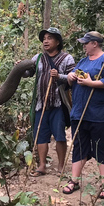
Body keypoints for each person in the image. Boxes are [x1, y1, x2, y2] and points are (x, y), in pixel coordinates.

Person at [63, 31, 104, 196]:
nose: (84, 46)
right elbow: (75, 75)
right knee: (79, 146)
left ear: (95, 43)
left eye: (86, 43)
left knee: (101, 147)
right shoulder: (83, 61)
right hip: (80, 112)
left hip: (99, 113)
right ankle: (74, 180)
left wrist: (91, 83)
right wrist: (71, 76)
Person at [24, 27, 76, 175]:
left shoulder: (67, 58)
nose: (46, 41)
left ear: (58, 42)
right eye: (44, 38)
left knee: (59, 135)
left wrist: (60, 76)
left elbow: (73, 77)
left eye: (49, 38)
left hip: (58, 104)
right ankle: (41, 165)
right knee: (40, 134)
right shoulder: (38, 57)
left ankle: (61, 166)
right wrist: (21, 68)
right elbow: (28, 73)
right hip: (41, 103)